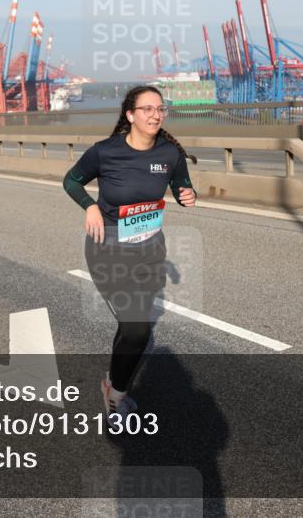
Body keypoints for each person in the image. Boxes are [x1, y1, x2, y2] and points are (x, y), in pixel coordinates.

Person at [62, 85, 197, 419]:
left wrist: (186, 195)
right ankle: (117, 397)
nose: (155, 114)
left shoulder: (169, 154)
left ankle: (113, 382)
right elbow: (71, 181)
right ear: (130, 115)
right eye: (147, 109)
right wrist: (89, 207)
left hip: (150, 251)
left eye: (160, 109)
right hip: (109, 250)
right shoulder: (105, 152)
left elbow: (181, 185)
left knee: (133, 326)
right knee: (138, 328)